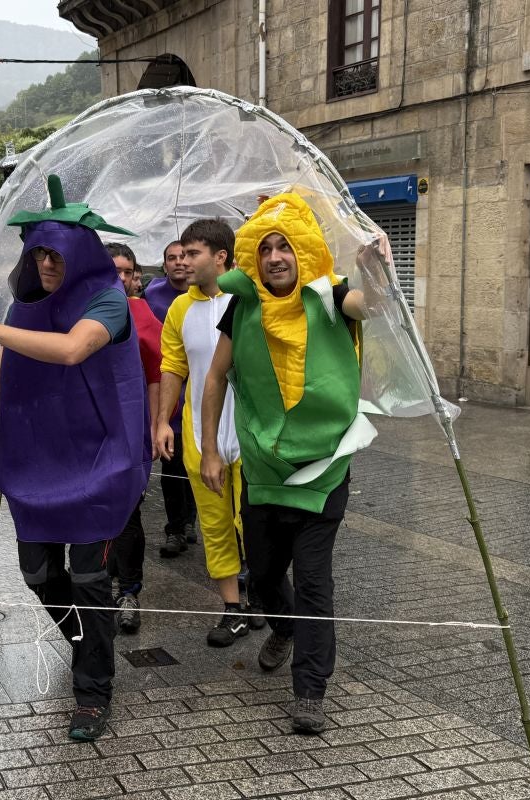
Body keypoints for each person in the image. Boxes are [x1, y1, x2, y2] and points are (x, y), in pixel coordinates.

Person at [0, 176, 149, 741]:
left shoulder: (108, 300)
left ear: (79, 251)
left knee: (88, 577)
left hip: (98, 461)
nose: (46, 264)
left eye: (56, 252)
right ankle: (87, 644)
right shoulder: (25, 303)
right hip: (37, 461)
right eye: (38, 253)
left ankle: (93, 689)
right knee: (38, 575)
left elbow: (71, 348)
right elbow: (1, 369)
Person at [199, 193, 371, 735]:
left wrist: (376, 266)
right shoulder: (242, 305)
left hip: (323, 472)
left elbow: (376, 307)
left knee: (315, 581)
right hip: (263, 471)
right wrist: (209, 447)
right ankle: (282, 625)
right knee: (267, 575)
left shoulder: (331, 296)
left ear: (303, 252)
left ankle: (310, 692)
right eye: (266, 247)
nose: (276, 257)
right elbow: (215, 377)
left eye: (286, 246)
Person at [154, 219, 250, 647]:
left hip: (252, 433)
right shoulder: (179, 309)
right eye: (181, 254)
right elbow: (171, 366)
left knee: (254, 523)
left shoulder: (249, 298)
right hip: (199, 434)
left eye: (192, 254)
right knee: (213, 525)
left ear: (220, 256)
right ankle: (232, 608)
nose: (184, 261)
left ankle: (263, 596)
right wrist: (162, 421)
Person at [106, 241, 162, 633]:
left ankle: (128, 590)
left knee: (128, 512)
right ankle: (96, 585)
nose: (122, 278)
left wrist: (158, 424)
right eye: (115, 271)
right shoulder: (79, 309)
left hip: (130, 429)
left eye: (128, 271)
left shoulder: (143, 315)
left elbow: (158, 375)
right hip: (87, 430)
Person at [145, 241, 198, 556]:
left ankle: (192, 520)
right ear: (164, 264)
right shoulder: (152, 297)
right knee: (173, 464)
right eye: (172, 258)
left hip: (204, 392)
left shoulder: (208, 294)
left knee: (199, 462)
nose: (179, 262)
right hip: (169, 389)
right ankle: (175, 528)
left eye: (186, 256)